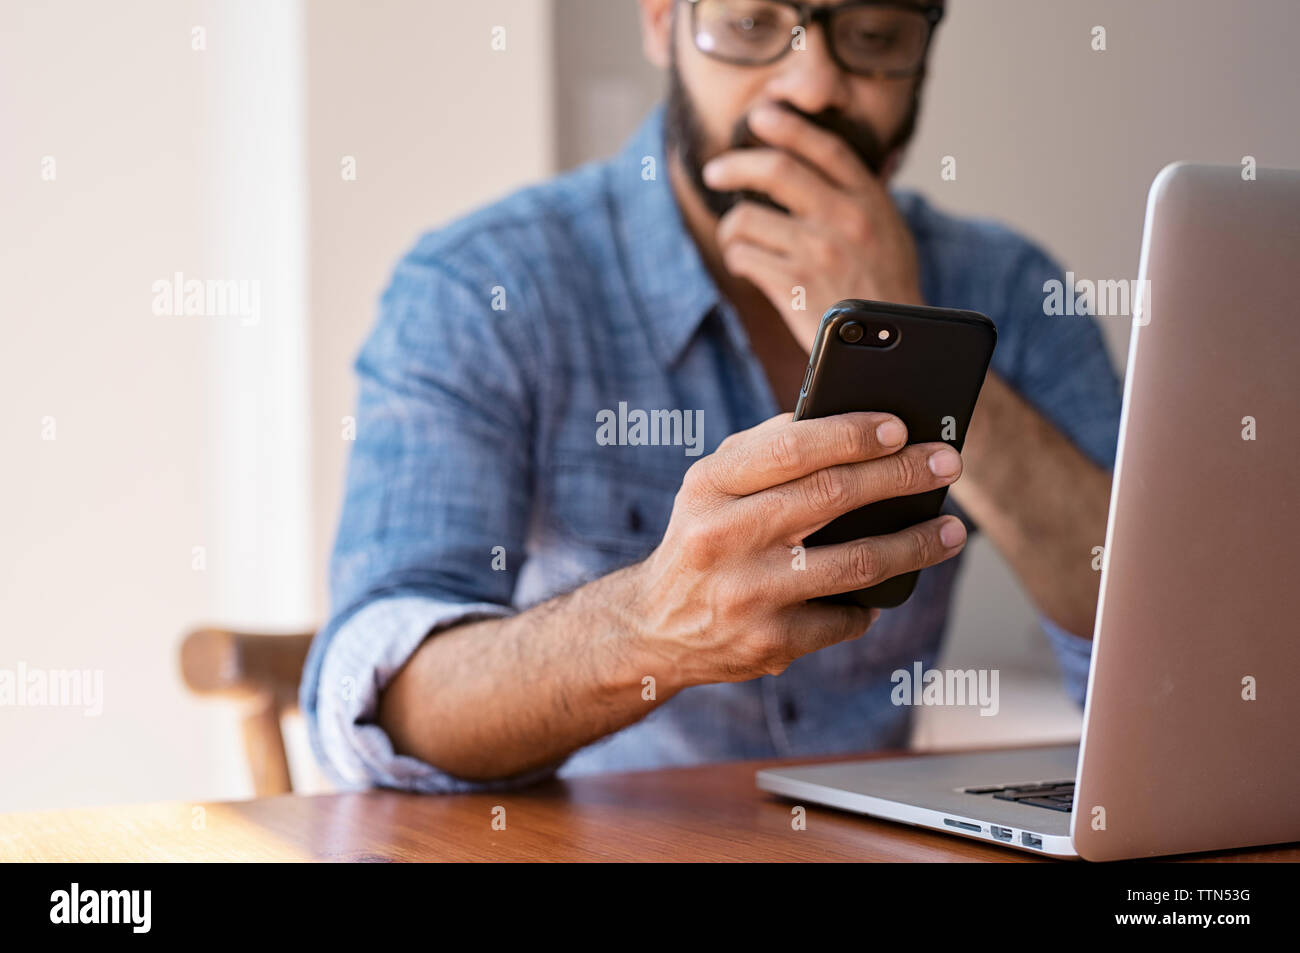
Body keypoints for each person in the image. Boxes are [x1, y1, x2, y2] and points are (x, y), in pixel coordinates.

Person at [302, 0, 1121, 792]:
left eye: (874, 33)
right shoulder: (482, 287)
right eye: (753, 23)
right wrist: (648, 626)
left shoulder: (1007, 286)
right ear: (664, 21)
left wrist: (913, 337)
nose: (813, 86)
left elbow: (1164, 647)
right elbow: (378, 700)